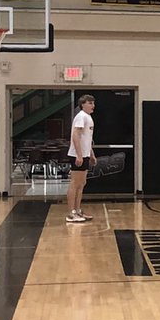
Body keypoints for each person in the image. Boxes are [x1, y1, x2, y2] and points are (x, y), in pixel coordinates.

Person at [65, 94, 96, 223]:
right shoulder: (81, 117)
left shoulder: (88, 118)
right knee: (75, 183)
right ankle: (71, 213)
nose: (93, 105)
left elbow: (87, 140)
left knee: (82, 184)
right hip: (77, 155)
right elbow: (75, 136)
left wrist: (91, 155)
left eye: (93, 103)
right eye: (90, 103)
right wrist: (79, 155)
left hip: (85, 155)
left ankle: (78, 210)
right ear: (82, 104)